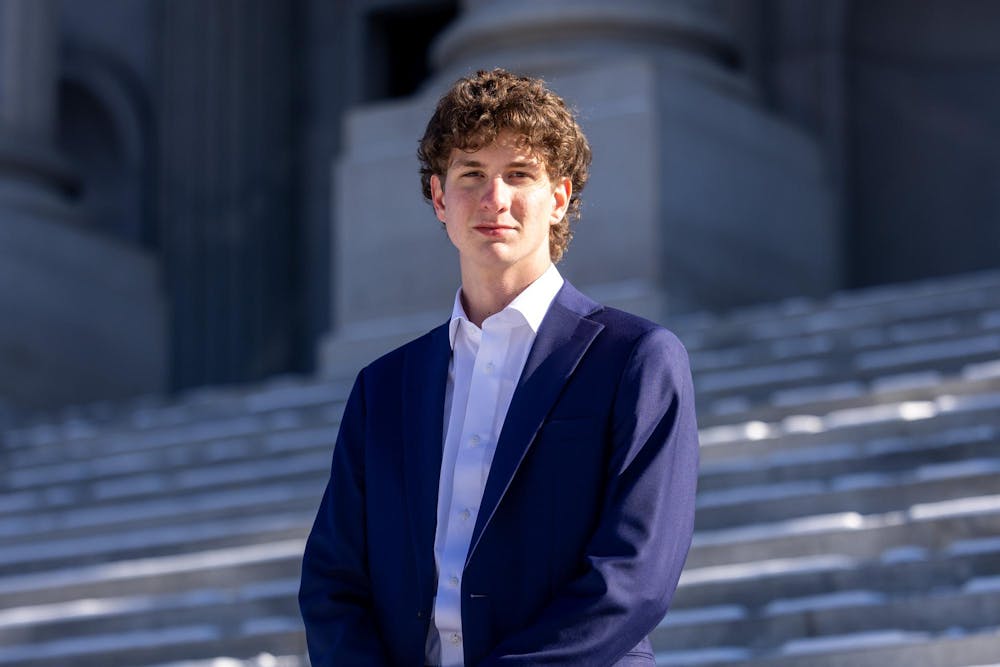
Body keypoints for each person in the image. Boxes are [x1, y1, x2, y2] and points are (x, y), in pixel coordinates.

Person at [299, 68, 699, 666]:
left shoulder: (636, 360)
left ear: (559, 197)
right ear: (439, 198)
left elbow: (633, 578)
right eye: (471, 175)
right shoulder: (383, 388)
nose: (495, 200)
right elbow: (333, 583)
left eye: (519, 174)